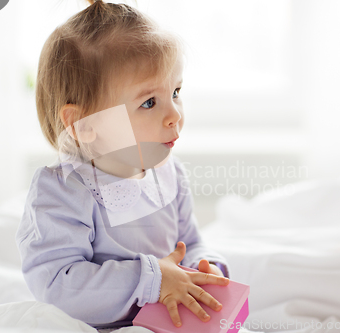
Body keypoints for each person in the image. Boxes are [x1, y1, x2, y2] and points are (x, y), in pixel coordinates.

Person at [15, 0, 231, 331]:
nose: (174, 115)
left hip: (165, 320)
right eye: (148, 102)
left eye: (176, 92)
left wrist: (205, 266)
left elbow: (189, 240)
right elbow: (57, 283)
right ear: (85, 125)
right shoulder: (64, 190)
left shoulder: (168, 172)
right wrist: (153, 279)